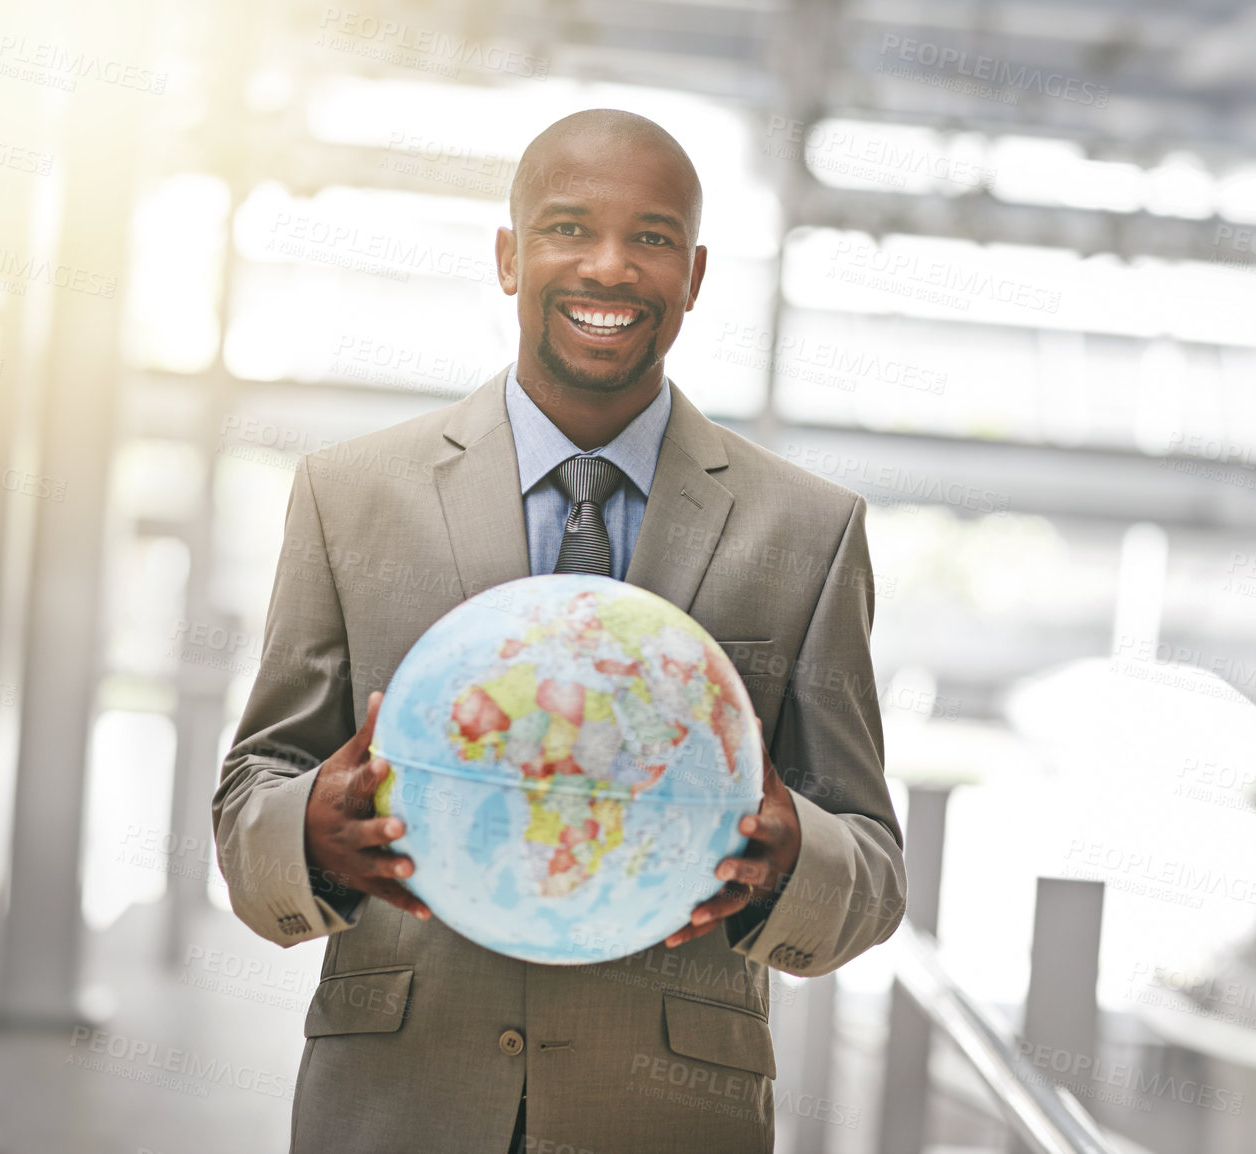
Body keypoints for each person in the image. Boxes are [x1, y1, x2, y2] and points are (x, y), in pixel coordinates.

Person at [212, 109, 905, 1154]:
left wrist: (793, 849)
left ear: (697, 274)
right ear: (508, 255)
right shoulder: (350, 495)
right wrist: (307, 829)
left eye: (655, 237)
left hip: (667, 1115)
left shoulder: (808, 531)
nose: (610, 266)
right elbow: (253, 784)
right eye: (568, 228)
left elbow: (874, 864)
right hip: (400, 1102)